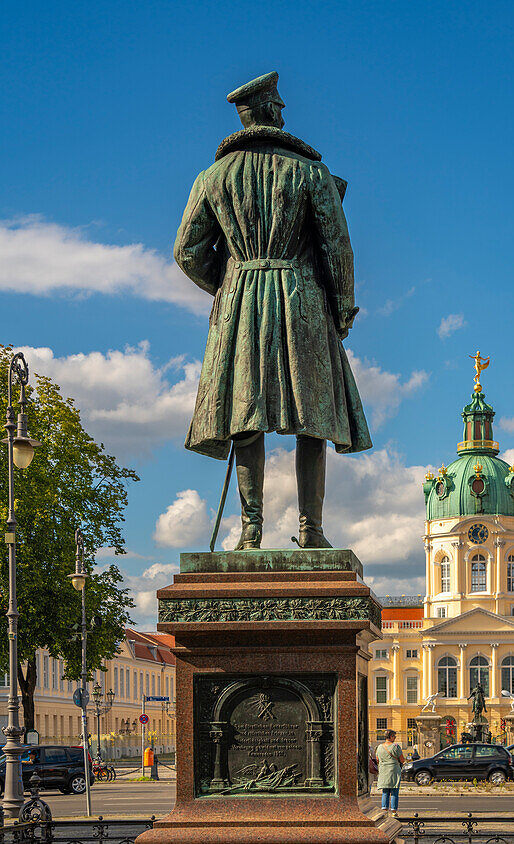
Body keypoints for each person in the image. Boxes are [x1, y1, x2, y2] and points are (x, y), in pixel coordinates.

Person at [174, 71, 372, 549]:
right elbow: (337, 250)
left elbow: (187, 251)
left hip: (241, 298)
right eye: (278, 105)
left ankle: (250, 531)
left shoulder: (212, 176)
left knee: (245, 415)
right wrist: (343, 307)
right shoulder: (310, 172)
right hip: (301, 296)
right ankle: (312, 530)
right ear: (263, 111)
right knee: (314, 417)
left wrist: (227, 281)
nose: (284, 112)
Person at [376, 729, 404, 817]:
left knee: (385, 791)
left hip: (383, 771)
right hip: (394, 771)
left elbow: (377, 759)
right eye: (394, 736)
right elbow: (402, 759)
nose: (395, 738)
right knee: (394, 790)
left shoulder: (379, 747)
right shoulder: (395, 746)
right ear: (391, 737)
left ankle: (384, 811)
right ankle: (394, 812)